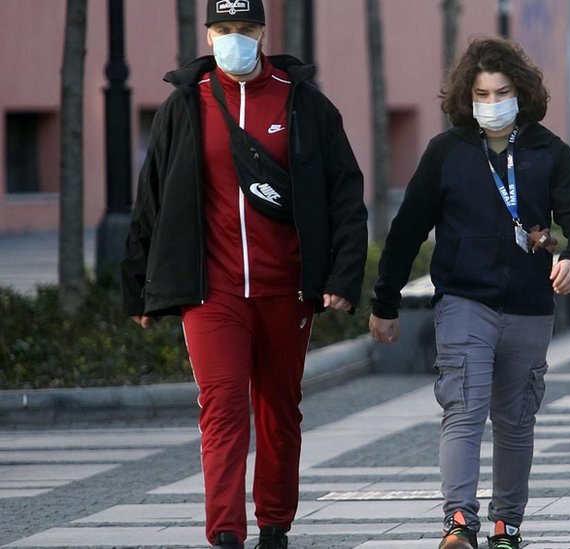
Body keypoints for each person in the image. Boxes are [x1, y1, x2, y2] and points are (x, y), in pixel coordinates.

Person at [120, 1, 368, 547]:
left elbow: (345, 194)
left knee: (279, 408)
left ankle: (275, 524)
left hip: (287, 288)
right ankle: (226, 532)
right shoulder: (185, 104)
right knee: (223, 407)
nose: (236, 38)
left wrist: (343, 275)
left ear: (263, 33)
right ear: (208, 35)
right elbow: (152, 198)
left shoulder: (303, 102)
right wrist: (138, 286)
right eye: (225, 29)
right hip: (212, 291)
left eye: (246, 28)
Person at [368, 37, 570, 549]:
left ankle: (507, 524)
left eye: (502, 93)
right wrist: (384, 302)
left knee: (516, 420)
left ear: (521, 92)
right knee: (464, 407)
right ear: (467, 97)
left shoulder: (548, 151)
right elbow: (407, 230)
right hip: (464, 301)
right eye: (482, 94)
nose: (492, 103)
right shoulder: (447, 152)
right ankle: (459, 521)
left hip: (529, 307)